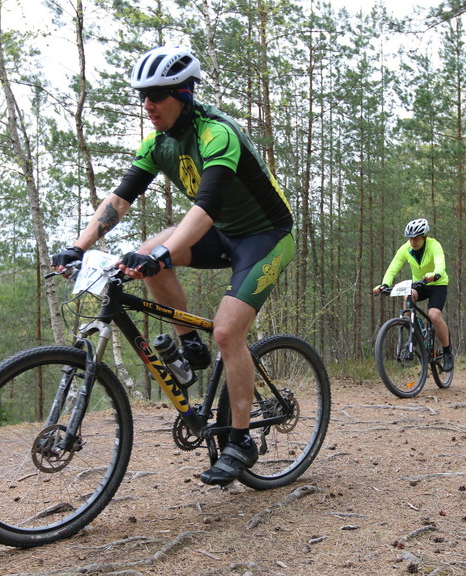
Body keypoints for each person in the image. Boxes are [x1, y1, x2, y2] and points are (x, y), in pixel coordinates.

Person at [50, 46, 295, 486]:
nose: (147, 105)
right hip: (220, 230)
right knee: (148, 253)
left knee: (227, 330)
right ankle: (189, 346)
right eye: (142, 96)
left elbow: (205, 207)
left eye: (157, 96)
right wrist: (78, 245)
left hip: (266, 235)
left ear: (183, 94)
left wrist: (161, 254)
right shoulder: (157, 144)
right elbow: (120, 198)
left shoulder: (216, 134)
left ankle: (241, 441)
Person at [373, 218, 454, 372]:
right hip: (419, 284)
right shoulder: (405, 249)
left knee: (434, 316)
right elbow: (393, 267)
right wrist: (385, 284)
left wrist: (436, 274)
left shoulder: (434, 245)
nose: (413, 241)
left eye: (416, 238)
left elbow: (440, 262)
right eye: (410, 238)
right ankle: (414, 327)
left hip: (437, 283)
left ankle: (447, 352)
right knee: (407, 296)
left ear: (424, 236)